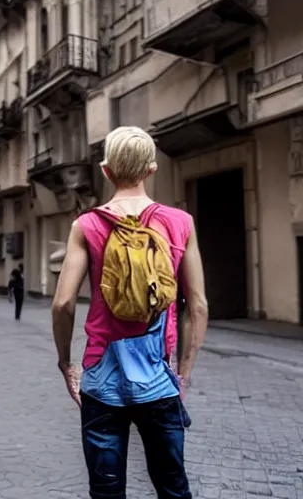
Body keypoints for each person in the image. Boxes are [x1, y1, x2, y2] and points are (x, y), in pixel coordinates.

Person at [51, 126, 208, 499]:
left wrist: (65, 363)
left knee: (106, 491)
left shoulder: (86, 225)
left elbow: (62, 303)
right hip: (157, 376)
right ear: (151, 169)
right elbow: (197, 305)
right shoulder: (180, 223)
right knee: (173, 486)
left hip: (101, 379)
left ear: (106, 170)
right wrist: (182, 375)